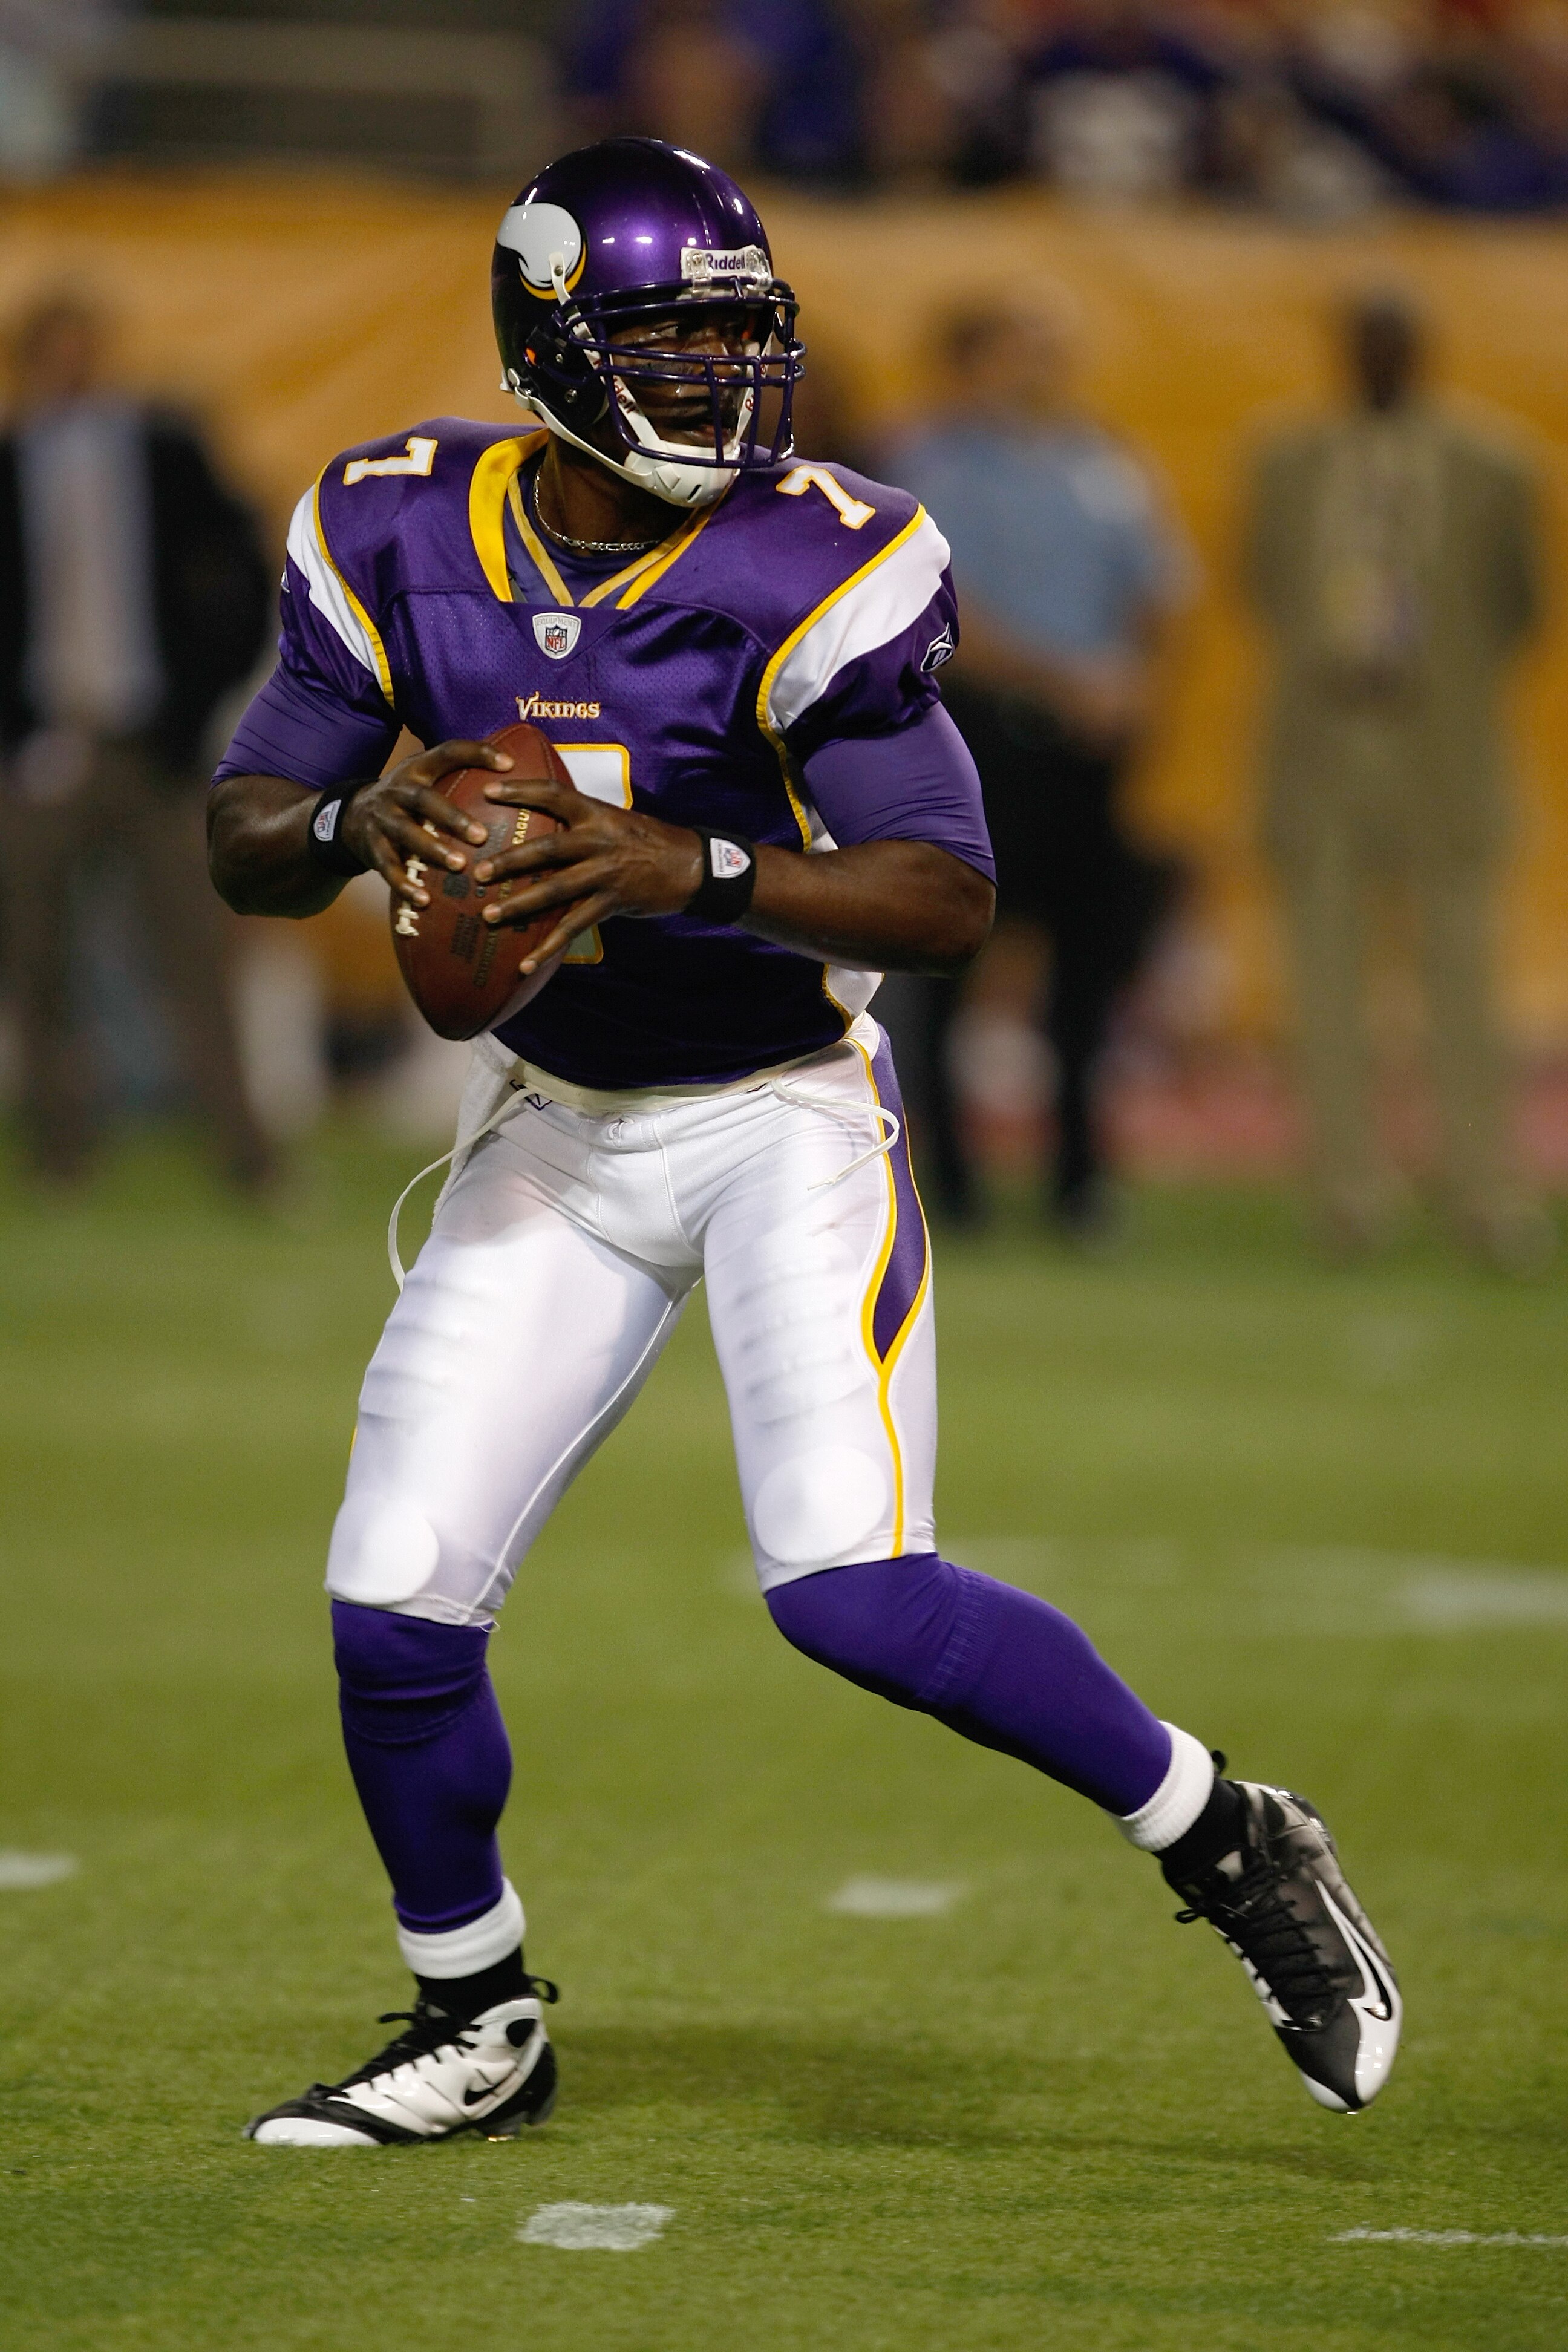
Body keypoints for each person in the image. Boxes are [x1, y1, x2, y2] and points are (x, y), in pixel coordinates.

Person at [209, 137, 1399, 2147]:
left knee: (846, 1587)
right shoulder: (398, 524)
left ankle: (1228, 1831)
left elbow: (944, 892)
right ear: (549, 351)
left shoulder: (813, 553)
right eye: (670, 347)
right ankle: (476, 2010)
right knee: (393, 1599)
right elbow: (247, 820)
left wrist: (691, 862)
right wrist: (355, 824)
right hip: (559, 1122)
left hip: (778, 1113)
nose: (725, 388)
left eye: (743, 342)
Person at [1247, 289, 1547, 1267]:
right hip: (1325, 743)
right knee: (1326, 985)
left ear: (1420, 350)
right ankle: (1348, 1194)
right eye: (1362, 340)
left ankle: (1483, 1190)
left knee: (1463, 982)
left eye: (1393, 340)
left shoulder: (1494, 464)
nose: (1377, 356)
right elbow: (1265, 587)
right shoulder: (1286, 460)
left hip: (1442, 744)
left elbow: (1519, 609)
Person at [885, 291, 1187, 1230]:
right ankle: (954, 1185)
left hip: (1088, 751)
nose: (1039, 370)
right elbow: (940, 608)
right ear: (966, 364)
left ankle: (1080, 1181)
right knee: (947, 959)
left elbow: (1160, 589)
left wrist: (1136, 688)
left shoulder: (1099, 462)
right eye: (1017, 351)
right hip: (980, 736)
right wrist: (1070, 681)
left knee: (1089, 970)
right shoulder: (930, 464)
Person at [0, 292, 274, 1192]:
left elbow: (243, 561)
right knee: (38, 954)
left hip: (155, 744)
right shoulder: (13, 463)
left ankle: (247, 1157)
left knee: (198, 953)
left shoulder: (161, 448)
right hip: (48, 748)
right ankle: (63, 1150)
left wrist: (197, 700)